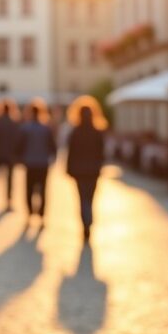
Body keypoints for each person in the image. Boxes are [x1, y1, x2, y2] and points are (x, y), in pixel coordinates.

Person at [65, 96, 108, 242]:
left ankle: (86, 223)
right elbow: (101, 153)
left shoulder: (75, 132)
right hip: (93, 171)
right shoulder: (97, 132)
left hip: (79, 170)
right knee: (90, 198)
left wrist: (68, 169)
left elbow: (70, 152)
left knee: (83, 198)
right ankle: (89, 221)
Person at [16, 98, 57, 226]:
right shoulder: (46, 128)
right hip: (43, 163)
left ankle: (29, 214)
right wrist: (52, 158)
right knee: (43, 190)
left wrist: (20, 158)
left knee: (29, 190)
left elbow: (19, 146)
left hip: (29, 163)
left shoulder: (25, 128)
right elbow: (53, 146)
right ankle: (42, 216)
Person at [0, 97, 21, 208]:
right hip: (10, 154)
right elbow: (17, 140)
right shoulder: (14, 123)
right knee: (10, 178)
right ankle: (9, 200)